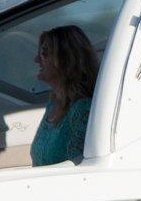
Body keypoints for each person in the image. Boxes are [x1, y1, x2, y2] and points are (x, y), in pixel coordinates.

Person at [29, 23, 99, 166]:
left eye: (44, 53)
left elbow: (77, 169)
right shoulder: (53, 104)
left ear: (66, 59)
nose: (36, 59)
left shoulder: (82, 109)